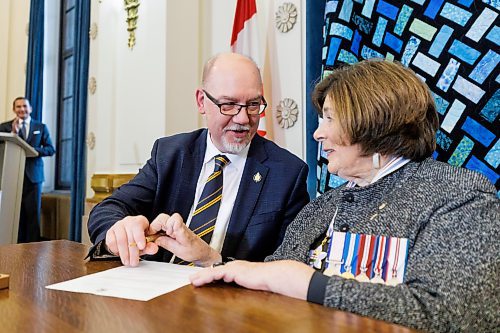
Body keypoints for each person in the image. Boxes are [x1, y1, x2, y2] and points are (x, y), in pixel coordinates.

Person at [190, 59, 500, 332]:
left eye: (329, 118)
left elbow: (453, 315)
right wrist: (216, 263)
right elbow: (272, 280)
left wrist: (308, 284)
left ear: (373, 120)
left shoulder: (460, 196)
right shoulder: (324, 206)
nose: (317, 133)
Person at [88, 53, 310, 267]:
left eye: (253, 104)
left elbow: (288, 265)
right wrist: (120, 229)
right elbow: (108, 209)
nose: (243, 118)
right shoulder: (170, 153)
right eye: (229, 104)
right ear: (202, 101)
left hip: (233, 299)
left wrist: (213, 261)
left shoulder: (287, 173)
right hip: (158, 292)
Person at [0, 97, 55, 242]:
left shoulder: (40, 127)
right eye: (18, 107)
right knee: (14, 216)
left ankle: (32, 249)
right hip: (11, 177)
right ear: (14, 109)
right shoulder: (4, 127)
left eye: (24, 106)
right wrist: (14, 134)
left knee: (32, 215)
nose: (22, 109)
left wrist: (32, 150)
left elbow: (50, 149)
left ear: (30, 109)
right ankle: (13, 248)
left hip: (34, 178)